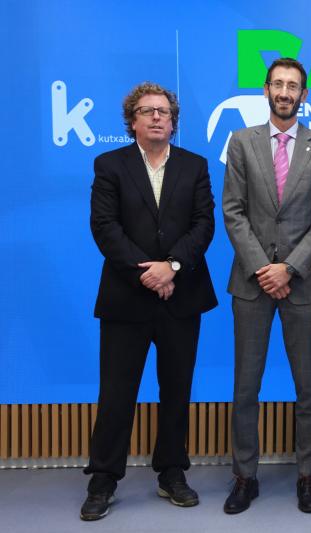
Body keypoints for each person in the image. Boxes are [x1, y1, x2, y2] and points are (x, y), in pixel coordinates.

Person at [82, 82, 217, 521]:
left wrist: (173, 266)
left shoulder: (195, 166)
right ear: (132, 121)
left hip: (182, 294)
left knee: (176, 392)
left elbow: (203, 225)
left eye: (164, 111)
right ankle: (103, 478)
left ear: (173, 121)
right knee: (117, 393)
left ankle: (172, 473)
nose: (157, 117)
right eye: (148, 111)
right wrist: (149, 271)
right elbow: (105, 228)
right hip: (127, 297)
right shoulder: (109, 165)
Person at [222, 57, 311, 514]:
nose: (285, 92)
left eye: (294, 86)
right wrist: (262, 268)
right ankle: (244, 476)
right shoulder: (241, 142)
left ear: (304, 94)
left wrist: (288, 268)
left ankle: (307, 476)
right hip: (251, 284)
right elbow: (233, 211)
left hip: (302, 284)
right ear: (266, 90)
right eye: (278, 84)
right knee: (245, 387)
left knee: (308, 388)